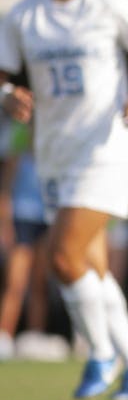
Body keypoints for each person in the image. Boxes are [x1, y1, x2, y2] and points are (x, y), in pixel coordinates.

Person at [0, 0, 128, 399]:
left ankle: (102, 352)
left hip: (107, 148)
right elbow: (3, 76)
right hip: (54, 154)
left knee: (63, 255)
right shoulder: (23, 15)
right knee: (92, 268)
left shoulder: (108, 4)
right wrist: (8, 95)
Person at [0, 120, 67, 362]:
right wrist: (5, 225)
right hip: (22, 220)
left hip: (46, 221)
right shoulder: (18, 156)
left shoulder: (54, 161)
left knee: (39, 283)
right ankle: (4, 336)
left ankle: (35, 336)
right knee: (15, 281)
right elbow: (5, 192)